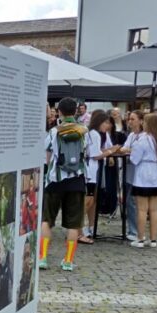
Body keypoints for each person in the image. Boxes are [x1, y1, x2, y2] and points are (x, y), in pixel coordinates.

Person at [39, 97, 88, 272]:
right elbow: (87, 153)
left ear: (59, 111)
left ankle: (43, 258)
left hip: (55, 181)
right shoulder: (84, 131)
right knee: (73, 224)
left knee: (46, 220)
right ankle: (67, 261)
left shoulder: (53, 132)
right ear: (75, 111)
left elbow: (46, 155)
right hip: (77, 181)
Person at [126, 112, 157, 248]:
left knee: (142, 210)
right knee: (154, 209)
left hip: (143, 174)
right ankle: (153, 239)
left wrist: (130, 152)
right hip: (156, 175)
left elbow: (134, 159)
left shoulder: (143, 139)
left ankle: (140, 239)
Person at [80, 109, 118, 244]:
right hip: (90, 171)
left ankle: (88, 227)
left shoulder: (96, 134)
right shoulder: (94, 134)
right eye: (105, 122)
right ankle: (79, 230)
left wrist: (108, 151)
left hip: (92, 170)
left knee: (92, 200)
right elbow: (95, 155)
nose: (107, 125)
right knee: (88, 201)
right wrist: (110, 151)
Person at [115, 109, 144, 241]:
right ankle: (132, 229)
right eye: (129, 119)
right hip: (129, 172)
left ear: (141, 121)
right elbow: (123, 149)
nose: (130, 122)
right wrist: (128, 150)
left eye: (133, 119)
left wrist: (129, 150)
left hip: (139, 174)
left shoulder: (145, 136)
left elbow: (138, 151)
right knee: (129, 202)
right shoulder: (131, 135)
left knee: (134, 203)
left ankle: (136, 231)